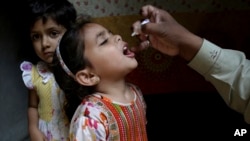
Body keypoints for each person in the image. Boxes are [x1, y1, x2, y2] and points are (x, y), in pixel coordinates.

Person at [132, 5, 250, 124]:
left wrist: (183, 41)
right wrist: (183, 41)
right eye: (111, 38)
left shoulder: (135, 93)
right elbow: (242, 80)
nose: (118, 38)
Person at [51, 16, 148, 141]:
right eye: (104, 41)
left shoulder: (136, 93)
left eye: (111, 33)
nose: (118, 36)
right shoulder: (90, 117)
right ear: (88, 76)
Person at [19, 0, 77, 140]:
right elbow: (32, 106)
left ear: (70, 33)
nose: (44, 44)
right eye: (36, 37)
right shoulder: (34, 73)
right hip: (47, 135)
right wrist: (33, 128)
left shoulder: (78, 70)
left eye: (53, 33)